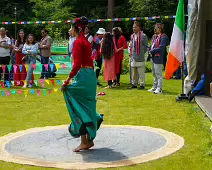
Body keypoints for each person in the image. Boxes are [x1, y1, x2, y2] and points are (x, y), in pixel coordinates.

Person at [61, 16, 103, 152]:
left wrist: (67, 81)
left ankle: (85, 141)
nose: (69, 30)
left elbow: (77, 64)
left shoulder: (79, 42)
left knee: (79, 107)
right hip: (89, 76)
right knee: (87, 107)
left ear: (75, 28)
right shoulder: (85, 41)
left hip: (84, 76)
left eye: (70, 27)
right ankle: (88, 140)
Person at [148, 23, 169, 94]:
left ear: (160, 29)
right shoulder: (155, 37)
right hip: (153, 57)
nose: (155, 29)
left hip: (159, 57)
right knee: (154, 73)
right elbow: (152, 46)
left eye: (156, 28)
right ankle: (155, 87)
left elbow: (161, 47)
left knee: (159, 74)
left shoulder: (164, 37)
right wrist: (150, 49)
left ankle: (159, 89)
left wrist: (152, 51)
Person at [128, 21, 148, 90]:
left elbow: (146, 47)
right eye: (133, 27)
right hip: (133, 56)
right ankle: (134, 84)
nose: (134, 28)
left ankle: (142, 84)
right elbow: (131, 46)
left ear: (139, 28)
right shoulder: (132, 36)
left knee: (141, 72)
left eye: (135, 27)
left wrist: (141, 53)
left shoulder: (143, 36)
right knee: (134, 72)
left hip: (140, 56)